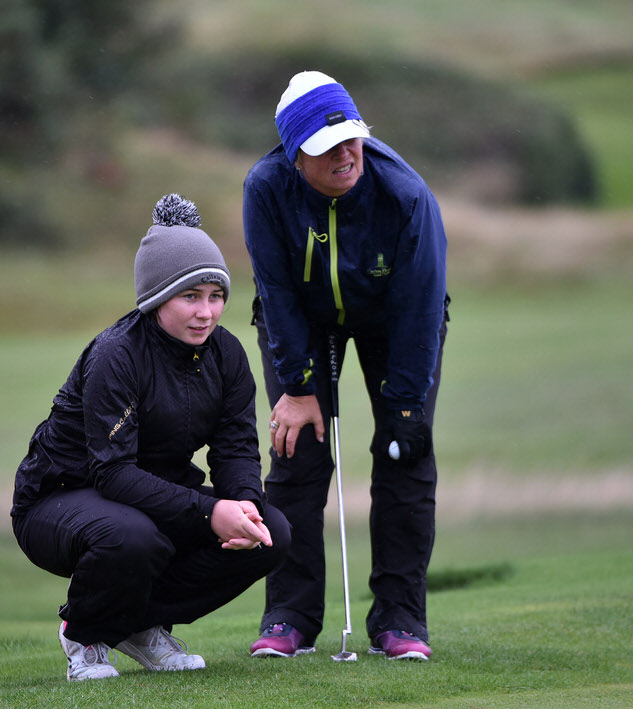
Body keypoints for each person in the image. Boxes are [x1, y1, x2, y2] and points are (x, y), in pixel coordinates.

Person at [11, 194, 291, 681]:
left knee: (271, 534)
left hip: (147, 497)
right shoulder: (116, 355)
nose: (206, 312)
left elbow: (236, 447)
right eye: (191, 296)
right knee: (134, 537)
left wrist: (243, 502)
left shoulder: (226, 355)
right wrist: (209, 512)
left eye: (215, 295)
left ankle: (136, 626)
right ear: (157, 296)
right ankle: (84, 633)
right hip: (59, 500)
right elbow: (113, 473)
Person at [243, 71, 449, 662]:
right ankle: (289, 615)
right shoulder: (266, 189)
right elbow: (276, 293)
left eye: (351, 138)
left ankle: (401, 616)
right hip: (302, 322)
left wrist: (406, 406)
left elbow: (420, 305)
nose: (345, 154)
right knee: (295, 454)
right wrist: (299, 387)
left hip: (396, 322)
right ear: (294, 155)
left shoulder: (405, 195)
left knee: (404, 454)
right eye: (325, 146)